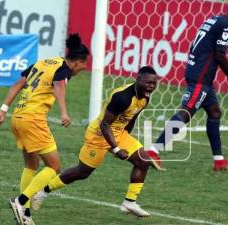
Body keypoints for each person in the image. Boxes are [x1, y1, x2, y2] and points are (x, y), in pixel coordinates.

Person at [30, 66, 158, 218]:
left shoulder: (145, 96)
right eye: (148, 82)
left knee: (143, 161)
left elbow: (132, 118)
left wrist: (125, 139)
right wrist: (116, 149)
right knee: (82, 172)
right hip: (98, 135)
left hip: (118, 134)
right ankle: (42, 192)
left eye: (154, 83)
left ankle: (129, 202)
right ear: (138, 79)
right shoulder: (122, 98)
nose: (151, 86)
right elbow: (104, 124)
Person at [0, 33, 89, 225]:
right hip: (33, 120)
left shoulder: (44, 62)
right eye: (85, 64)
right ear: (78, 62)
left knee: (31, 165)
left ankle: (25, 214)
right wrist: (64, 112)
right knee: (54, 167)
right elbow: (59, 87)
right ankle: (20, 202)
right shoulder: (64, 70)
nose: (85, 68)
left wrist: (3, 109)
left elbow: (18, 83)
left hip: (18, 118)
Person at [146, 1, 228, 172]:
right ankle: (153, 150)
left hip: (200, 74)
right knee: (185, 113)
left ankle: (219, 161)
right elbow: (219, 54)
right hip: (201, 76)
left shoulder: (214, 19)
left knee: (215, 112)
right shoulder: (226, 26)